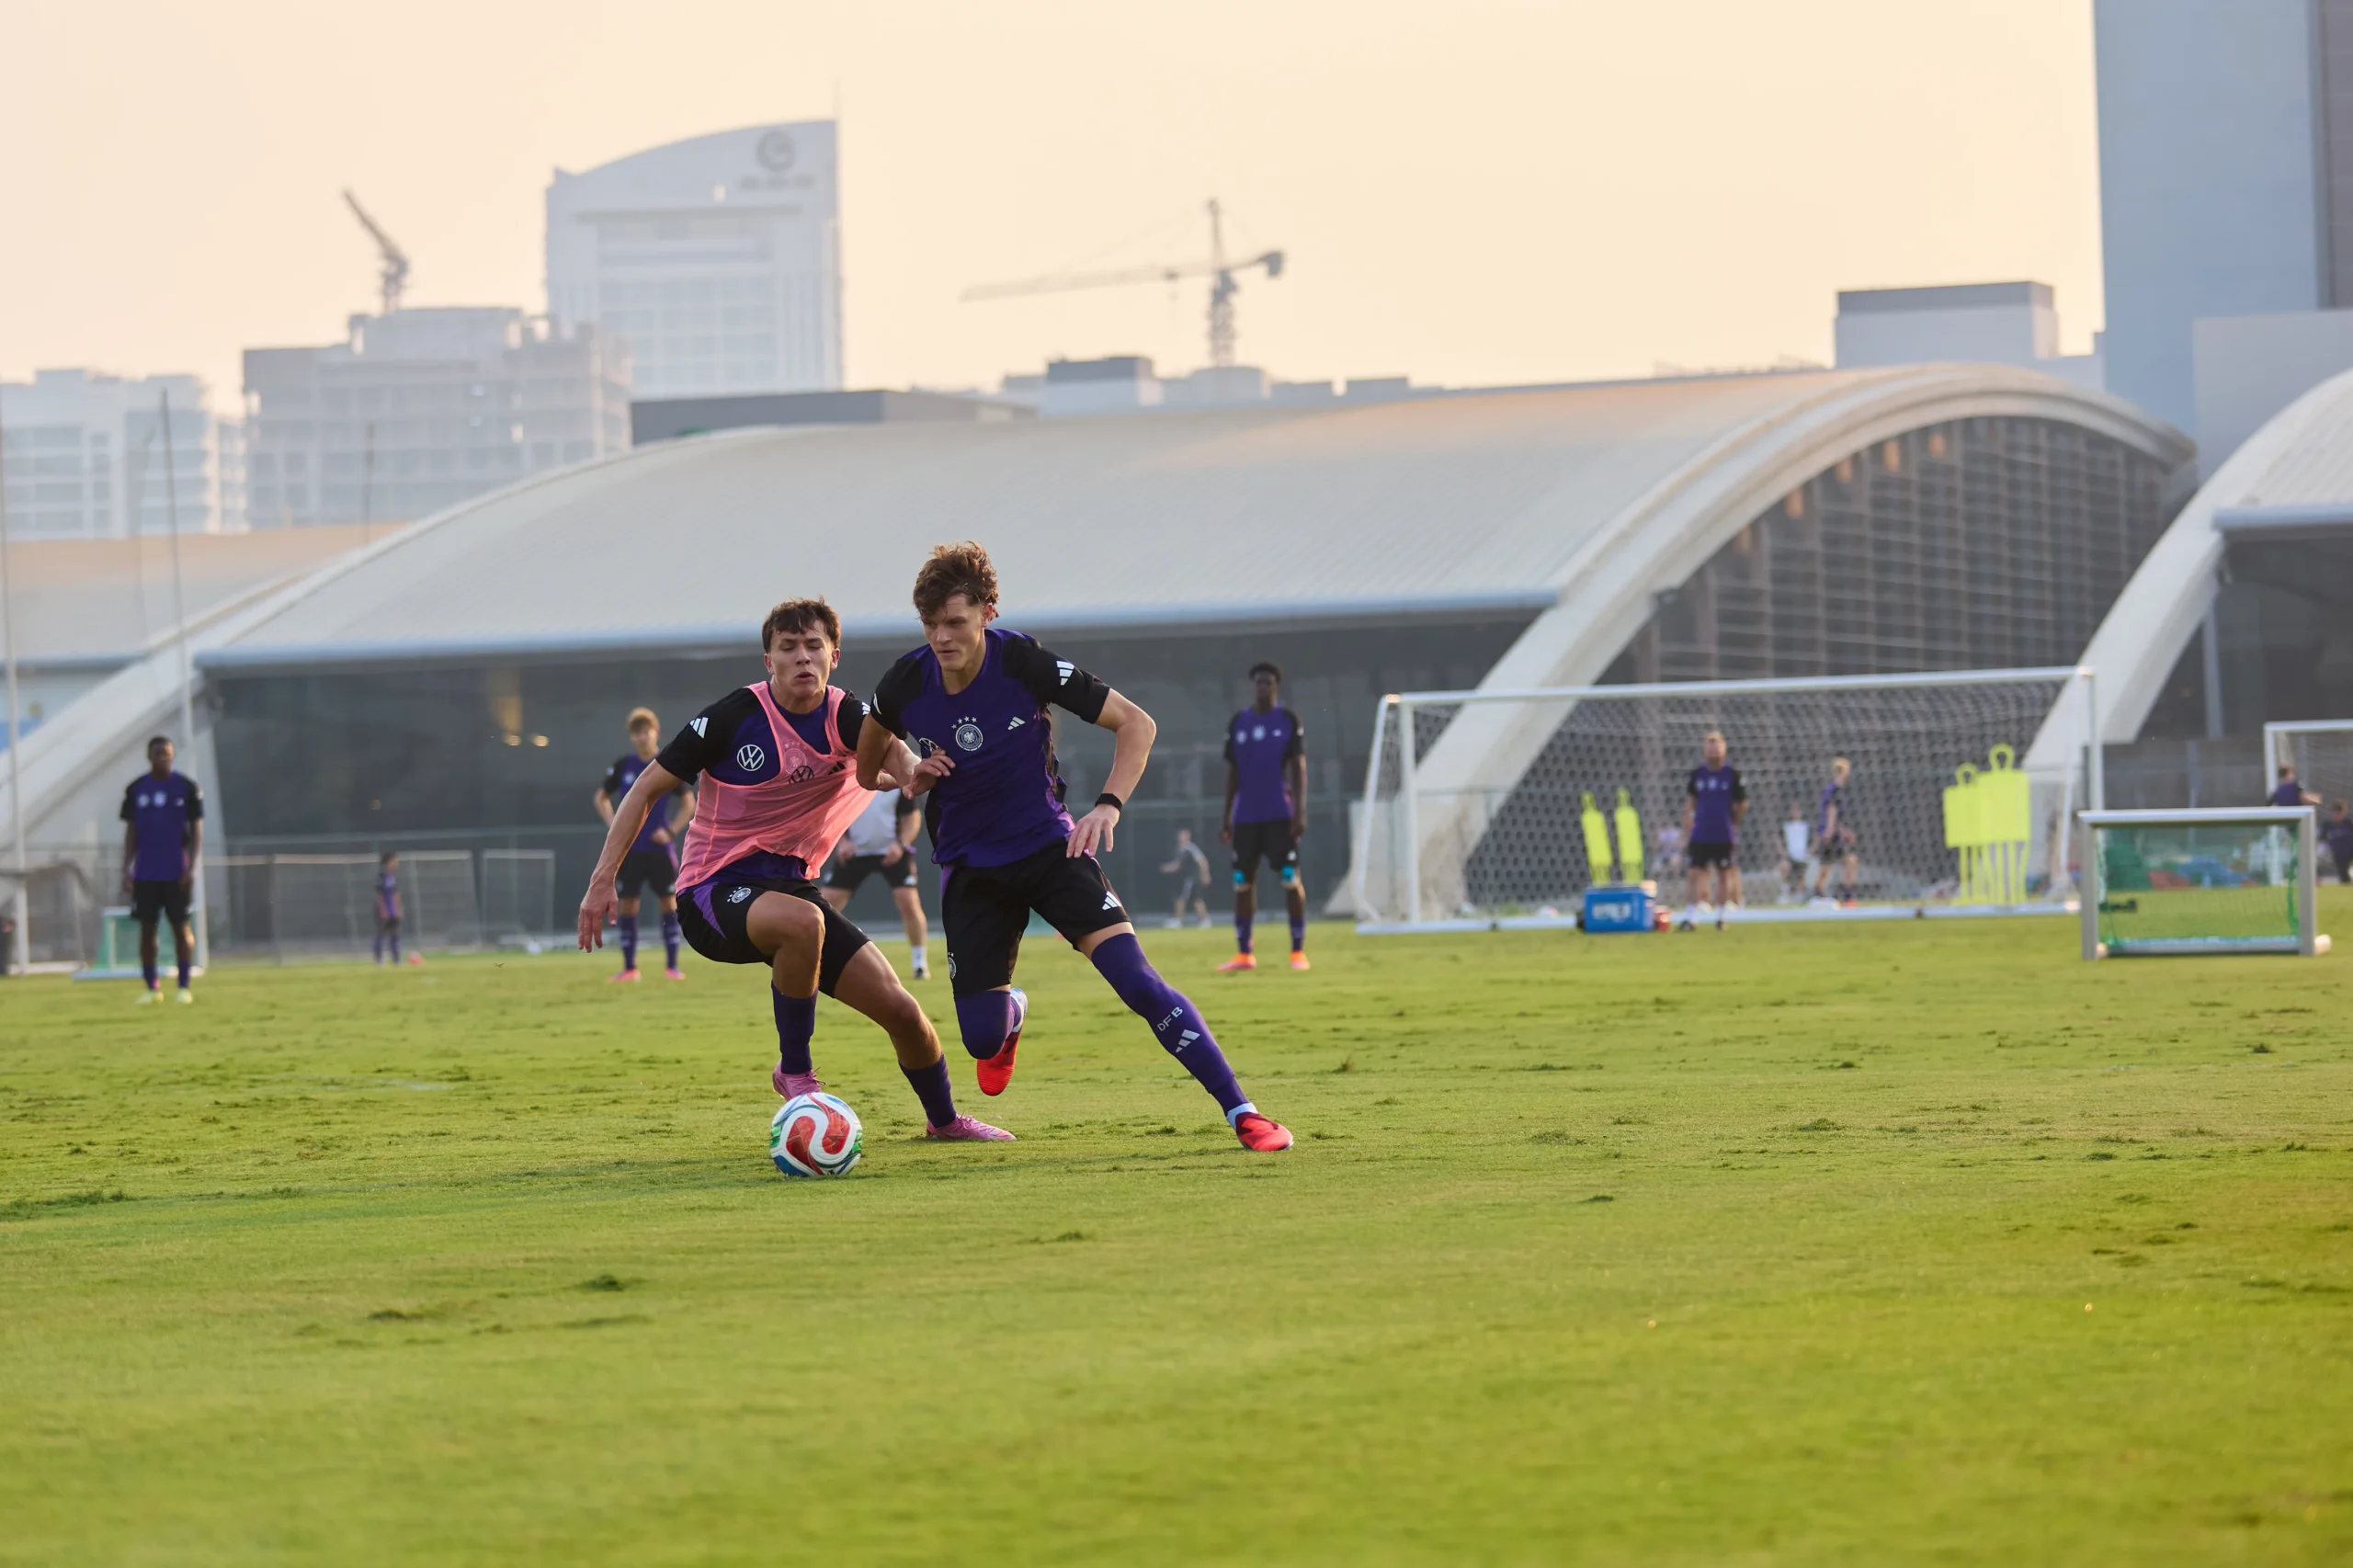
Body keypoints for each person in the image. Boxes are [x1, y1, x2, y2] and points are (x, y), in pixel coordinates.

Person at [865, 541, 1292, 1153]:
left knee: (1139, 983)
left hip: (1049, 850)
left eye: (955, 622)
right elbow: (865, 764)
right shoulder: (905, 680)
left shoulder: (1025, 662)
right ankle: (1008, 1015)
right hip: (970, 870)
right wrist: (909, 773)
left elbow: (1136, 724)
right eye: (930, 625)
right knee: (981, 1040)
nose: (941, 638)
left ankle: (1243, 1112)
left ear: (988, 611)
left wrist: (1107, 805)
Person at [577, 598, 1010, 1143]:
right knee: (804, 922)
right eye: (789, 647)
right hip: (712, 892)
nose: (802, 657)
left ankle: (945, 1123)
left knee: (904, 1011)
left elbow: (900, 761)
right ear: (769, 660)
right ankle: (796, 1072)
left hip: (793, 892)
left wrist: (918, 774)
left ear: (834, 655)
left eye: (813, 646)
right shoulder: (733, 716)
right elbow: (645, 790)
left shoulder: (849, 716)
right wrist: (600, 882)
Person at [1219, 661, 1311, 971]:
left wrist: (1299, 811)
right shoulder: (1238, 723)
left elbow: (1298, 768)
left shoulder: (1287, 720)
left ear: (1276, 686)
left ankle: (1297, 951)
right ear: (1252, 685)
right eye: (1258, 682)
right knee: (1242, 882)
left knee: (1289, 878)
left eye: (1267, 682)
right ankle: (1244, 953)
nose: (1262, 687)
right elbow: (1233, 773)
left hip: (1278, 816)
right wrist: (1226, 816)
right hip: (1246, 818)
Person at [595, 709, 692, 982]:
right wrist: (615, 825)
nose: (641, 737)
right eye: (636, 732)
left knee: (668, 903)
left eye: (645, 731)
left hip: (659, 850)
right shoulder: (624, 766)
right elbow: (601, 797)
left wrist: (670, 830)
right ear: (632, 736)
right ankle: (629, 968)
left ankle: (672, 967)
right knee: (627, 904)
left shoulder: (667, 764)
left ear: (655, 732)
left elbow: (688, 801)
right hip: (631, 851)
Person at [119, 734, 201, 1005]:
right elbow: (131, 832)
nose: (162, 757)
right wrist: (125, 868)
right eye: (157, 753)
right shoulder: (136, 790)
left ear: (173, 755)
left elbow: (196, 830)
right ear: (149, 756)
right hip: (146, 873)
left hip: (177, 873)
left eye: (166, 753)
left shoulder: (187, 788)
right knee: (147, 931)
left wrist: (192, 867)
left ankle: (183, 986)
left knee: (181, 928)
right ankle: (152, 987)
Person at [824, 787, 931, 979]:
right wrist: (842, 843)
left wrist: (900, 844)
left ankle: (919, 963)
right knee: (824, 906)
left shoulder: (896, 782)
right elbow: (834, 813)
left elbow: (912, 817)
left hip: (892, 852)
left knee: (908, 902)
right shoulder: (848, 781)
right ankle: (819, 958)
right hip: (854, 853)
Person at [1680, 730, 1745, 927]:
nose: (1713, 751)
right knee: (1694, 873)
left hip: (1723, 834)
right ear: (1704, 750)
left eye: (1717, 746)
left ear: (1724, 748)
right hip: (1701, 834)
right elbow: (1689, 804)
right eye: (1709, 746)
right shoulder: (1697, 775)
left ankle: (1721, 916)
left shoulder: (1732, 775)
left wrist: (1733, 822)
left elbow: (1741, 803)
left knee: (1724, 875)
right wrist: (1689, 827)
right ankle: (1691, 916)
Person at [1811, 756, 1859, 904]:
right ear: (1844, 772)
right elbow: (1832, 810)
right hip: (1832, 834)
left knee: (1839, 863)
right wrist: (1831, 831)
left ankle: (1820, 894)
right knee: (1843, 863)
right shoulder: (1837, 789)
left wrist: (1844, 831)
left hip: (1832, 832)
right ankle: (1846, 895)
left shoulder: (1830, 789)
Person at [1160, 827, 1212, 926]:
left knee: (1183, 898)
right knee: (1192, 899)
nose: (1181, 837)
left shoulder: (1190, 848)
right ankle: (1203, 920)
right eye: (1180, 835)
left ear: (1188, 836)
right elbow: (1178, 864)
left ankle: (1180, 920)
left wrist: (1205, 875)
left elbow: (1202, 861)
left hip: (1191, 879)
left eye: (1184, 835)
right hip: (1184, 879)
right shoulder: (1180, 849)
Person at [374, 850, 403, 965]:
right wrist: (382, 909)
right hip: (384, 911)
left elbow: (395, 894)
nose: (396, 863)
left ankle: (396, 959)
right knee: (381, 933)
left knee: (395, 934)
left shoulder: (392, 877)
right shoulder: (381, 876)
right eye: (394, 861)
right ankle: (379, 959)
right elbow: (378, 895)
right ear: (388, 862)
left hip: (393, 910)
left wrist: (398, 908)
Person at [1779, 805, 1810, 903]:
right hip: (1790, 856)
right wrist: (1783, 851)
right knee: (1784, 867)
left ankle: (1799, 895)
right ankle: (1785, 892)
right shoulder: (1786, 826)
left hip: (1802, 855)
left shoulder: (1805, 826)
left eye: (1797, 810)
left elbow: (1815, 838)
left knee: (1802, 874)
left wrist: (1810, 851)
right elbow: (1777, 839)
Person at [2325, 801, 2353, 884]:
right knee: (2343, 876)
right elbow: (2322, 839)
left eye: (2340, 813)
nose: (2337, 816)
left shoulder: (2348, 823)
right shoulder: (2328, 825)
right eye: (2335, 813)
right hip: (2338, 854)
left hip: (2350, 852)